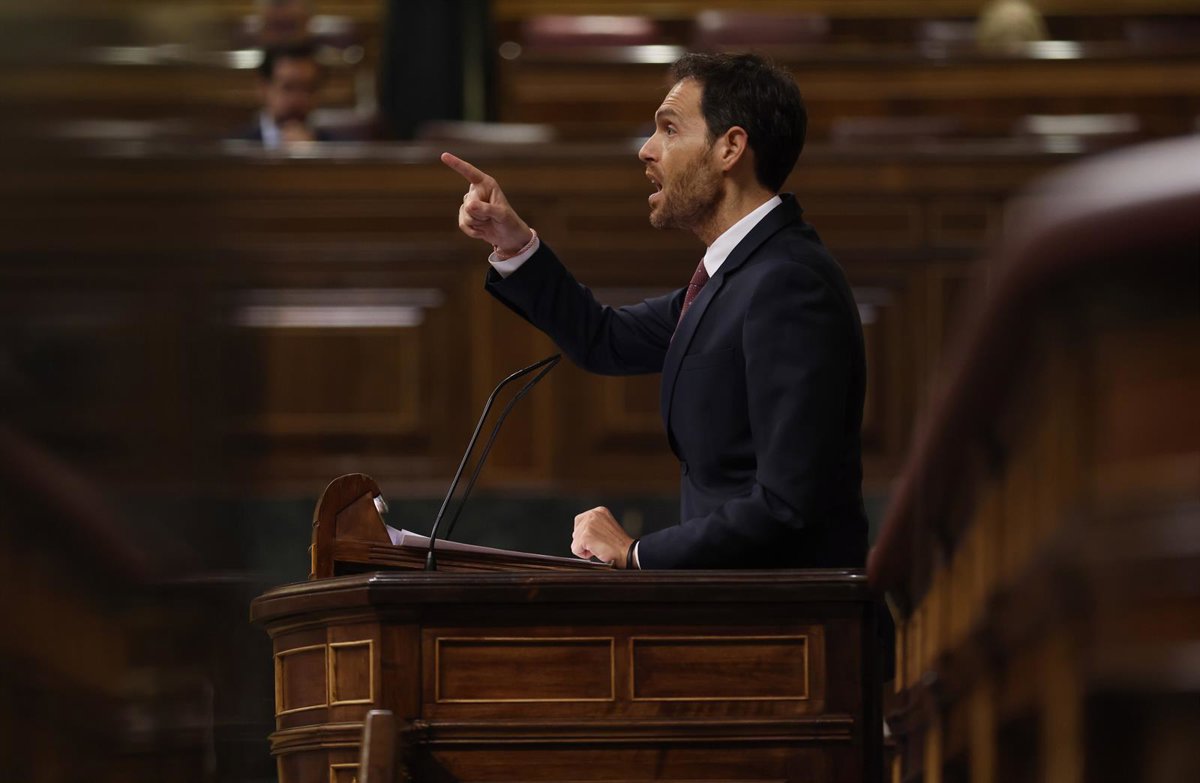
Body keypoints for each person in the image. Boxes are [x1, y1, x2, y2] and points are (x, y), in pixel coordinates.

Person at [442, 53, 868, 569]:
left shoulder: (788, 282)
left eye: (669, 129)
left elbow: (787, 504)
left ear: (730, 147)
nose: (646, 150)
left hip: (788, 609)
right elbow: (604, 339)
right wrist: (514, 243)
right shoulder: (739, 274)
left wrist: (637, 554)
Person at [238, 41, 329, 146]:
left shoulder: (335, 148)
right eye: (288, 88)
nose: (297, 99)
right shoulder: (235, 147)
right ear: (263, 89)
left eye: (308, 89)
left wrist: (312, 152)